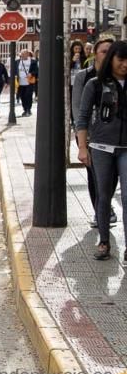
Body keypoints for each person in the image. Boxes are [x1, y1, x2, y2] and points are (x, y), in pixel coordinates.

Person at [76, 41, 127, 261]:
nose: (125, 65)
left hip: (125, 148)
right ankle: (104, 241)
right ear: (111, 60)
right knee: (104, 195)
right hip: (100, 147)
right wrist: (82, 148)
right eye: (121, 60)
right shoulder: (95, 85)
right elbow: (83, 117)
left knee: (126, 197)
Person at [72, 37, 117, 227]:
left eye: (111, 51)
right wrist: (81, 134)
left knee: (112, 175)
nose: (107, 54)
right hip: (90, 134)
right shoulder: (84, 76)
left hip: (114, 135)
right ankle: (101, 213)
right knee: (94, 175)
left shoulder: (119, 76)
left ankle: (106, 207)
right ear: (95, 54)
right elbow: (77, 106)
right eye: (103, 51)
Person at [15, 49, 39, 116]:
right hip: (20, 82)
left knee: (28, 95)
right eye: (21, 54)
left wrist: (31, 73)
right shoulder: (17, 62)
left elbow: (36, 70)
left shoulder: (33, 61)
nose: (22, 55)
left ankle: (28, 109)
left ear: (27, 54)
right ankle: (25, 109)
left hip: (29, 82)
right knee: (22, 96)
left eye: (24, 54)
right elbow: (14, 70)